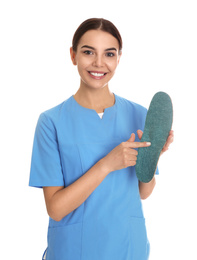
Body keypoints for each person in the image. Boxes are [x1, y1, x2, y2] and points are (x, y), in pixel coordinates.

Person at [29, 18, 174, 260]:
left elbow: (143, 192)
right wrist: (107, 164)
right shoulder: (51, 122)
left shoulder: (139, 114)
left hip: (129, 247)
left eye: (109, 54)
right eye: (88, 52)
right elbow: (55, 208)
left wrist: (152, 158)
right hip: (74, 250)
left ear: (118, 58)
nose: (99, 63)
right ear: (73, 55)